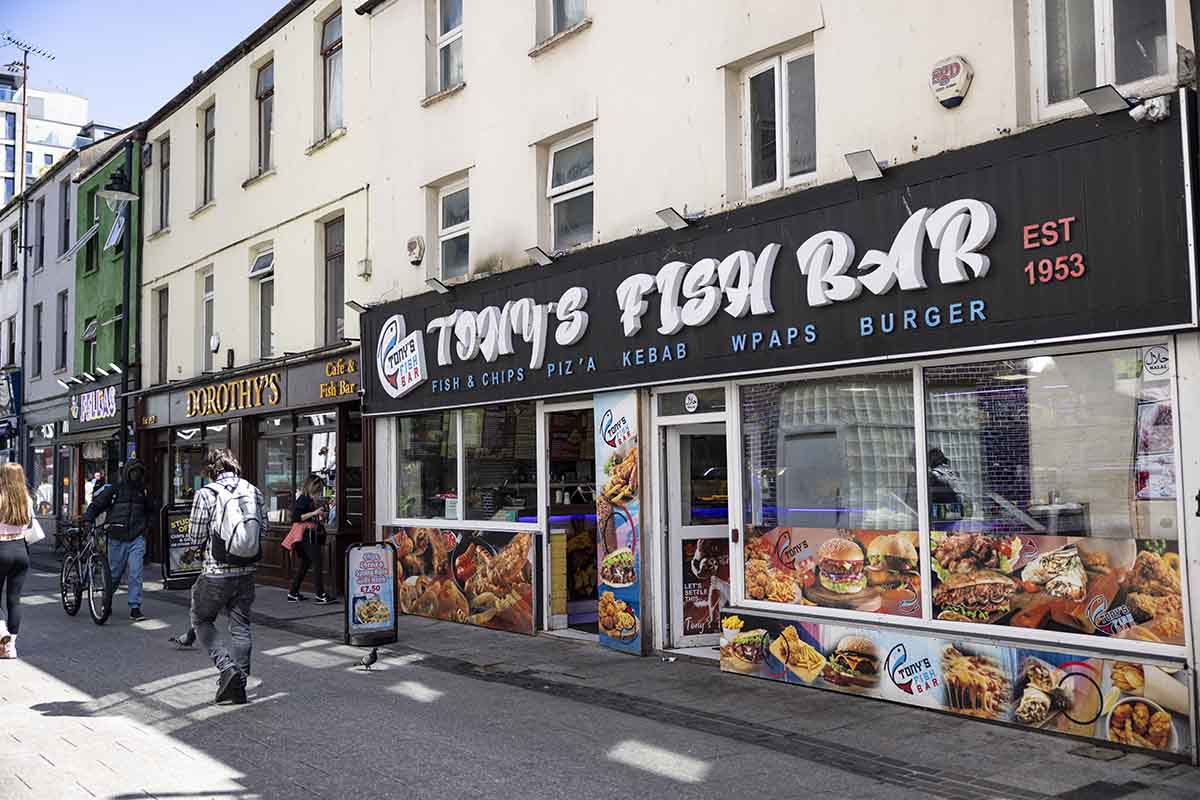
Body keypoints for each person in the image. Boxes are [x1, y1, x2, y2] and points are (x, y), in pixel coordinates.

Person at [187, 449, 265, 705]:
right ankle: (239, 686)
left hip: (216, 573)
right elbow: (263, 528)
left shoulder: (207, 494)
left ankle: (227, 668)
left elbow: (196, 537)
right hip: (246, 572)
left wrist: (194, 549)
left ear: (211, 470)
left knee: (201, 619)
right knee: (241, 628)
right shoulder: (253, 490)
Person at [85, 458, 156, 621]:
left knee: (136, 572)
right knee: (114, 575)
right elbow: (97, 504)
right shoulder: (114, 489)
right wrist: (88, 519)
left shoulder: (143, 491)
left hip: (136, 537)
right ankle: (106, 601)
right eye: (133, 471)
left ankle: (135, 608)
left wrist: (147, 528)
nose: (136, 475)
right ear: (127, 473)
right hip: (117, 537)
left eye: (139, 472)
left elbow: (151, 510)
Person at [0, 464, 35, 659]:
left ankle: (1, 631)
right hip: (21, 551)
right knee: (14, 600)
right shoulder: (27, 500)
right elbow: (29, 526)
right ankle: (11, 647)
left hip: (1, 548)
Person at [286, 475, 334, 604]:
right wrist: (314, 513)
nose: (319, 492)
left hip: (309, 536)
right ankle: (320, 594)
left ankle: (293, 593)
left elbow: (307, 517)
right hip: (307, 536)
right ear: (312, 487)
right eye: (318, 489)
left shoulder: (310, 499)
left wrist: (319, 515)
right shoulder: (303, 499)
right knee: (317, 563)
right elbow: (296, 517)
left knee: (305, 564)